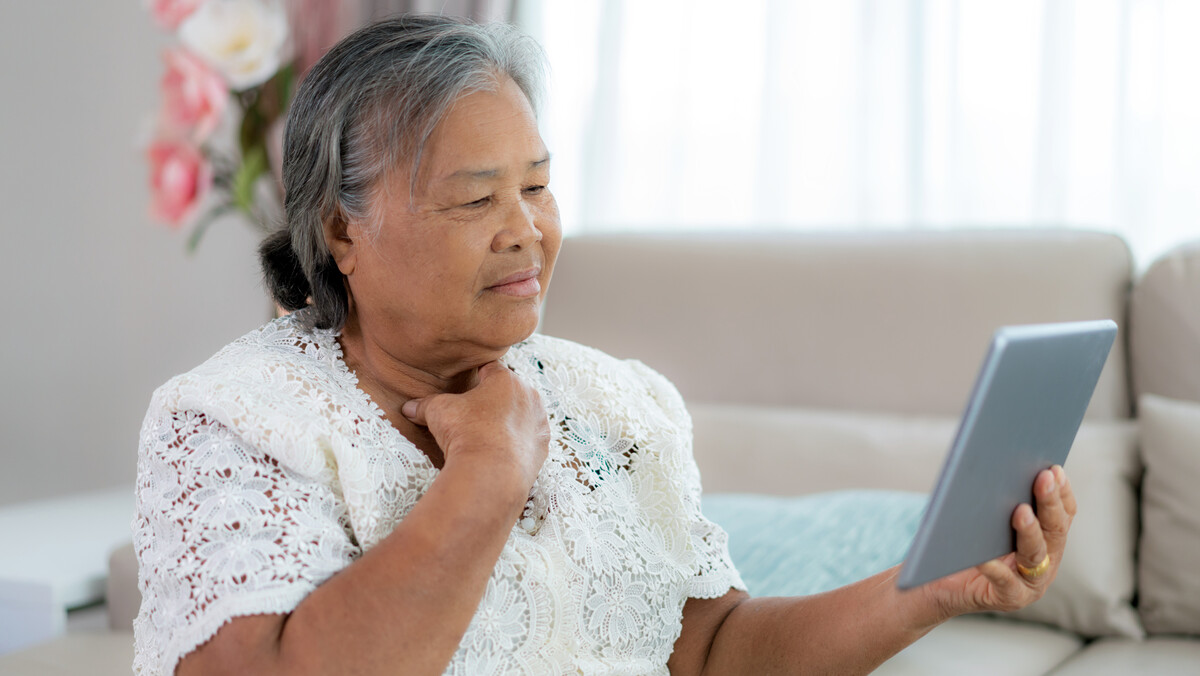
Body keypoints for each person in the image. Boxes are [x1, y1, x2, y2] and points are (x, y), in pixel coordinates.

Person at [132, 14, 1077, 676]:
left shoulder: (615, 402)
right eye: (474, 199)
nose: (525, 231)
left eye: (537, 187)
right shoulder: (233, 420)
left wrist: (933, 589)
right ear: (343, 232)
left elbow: (712, 652)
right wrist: (487, 473)